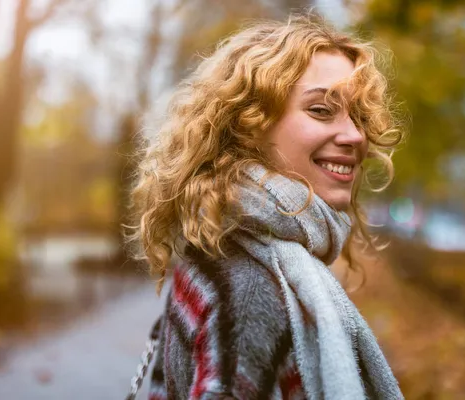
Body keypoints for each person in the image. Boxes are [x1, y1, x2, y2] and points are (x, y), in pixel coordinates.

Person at [125, 12, 405, 400]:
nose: (355, 135)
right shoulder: (252, 288)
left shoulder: (221, 249)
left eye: (358, 116)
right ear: (248, 126)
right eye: (322, 110)